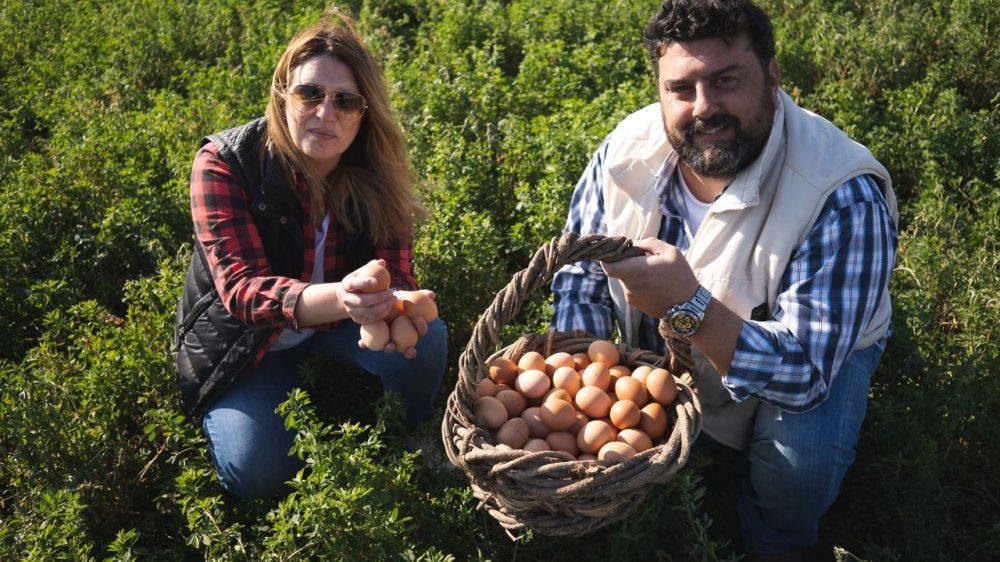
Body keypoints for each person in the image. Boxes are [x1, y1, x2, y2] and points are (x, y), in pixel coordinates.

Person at [551, 1, 898, 559]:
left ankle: (776, 542)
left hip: (814, 356)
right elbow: (581, 278)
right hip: (684, 343)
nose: (703, 107)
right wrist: (582, 389)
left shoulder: (839, 192)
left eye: (726, 80)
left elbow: (806, 372)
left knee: (796, 466)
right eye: (681, 89)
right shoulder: (625, 151)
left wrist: (686, 305)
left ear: (773, 75)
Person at [172, 6, 447, 501]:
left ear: (366, 114)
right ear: (282, 94)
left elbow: (397, 266)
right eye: (310, 94)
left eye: (346, 101)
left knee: (425, 339)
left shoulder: (375, 172)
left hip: (341, 322)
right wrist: (347, 298)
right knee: (260, 474)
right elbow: (241, 291)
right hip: (247, 345)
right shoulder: (225, 163)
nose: (326, 114)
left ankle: (414, 431)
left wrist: (390, 302)